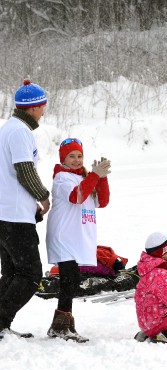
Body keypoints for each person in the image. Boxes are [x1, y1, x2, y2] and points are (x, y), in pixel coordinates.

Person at [45, 138, 111, 342]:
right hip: (63, 236)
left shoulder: (83, 178)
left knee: (71, 280)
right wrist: (93, 176)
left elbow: (103, 201)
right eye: (71, 156)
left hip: (76, 238)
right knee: (69, 279)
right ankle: (60, 325)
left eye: (79, 156)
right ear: (62, 159)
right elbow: (77, 197)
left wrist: (101, 178)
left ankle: (64, 323)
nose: (76, 160)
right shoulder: (62, 178)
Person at [0, 79, 51, 340]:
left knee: (11, 274)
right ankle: (1, 322)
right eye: (43, 106)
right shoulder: (20, 131)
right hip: (15, 216)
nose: (43, 111)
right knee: (30, 274)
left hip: (6, 213)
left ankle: (1, 325)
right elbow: (24, 170)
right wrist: (42, 196)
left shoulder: (7, 128)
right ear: (33, 108)